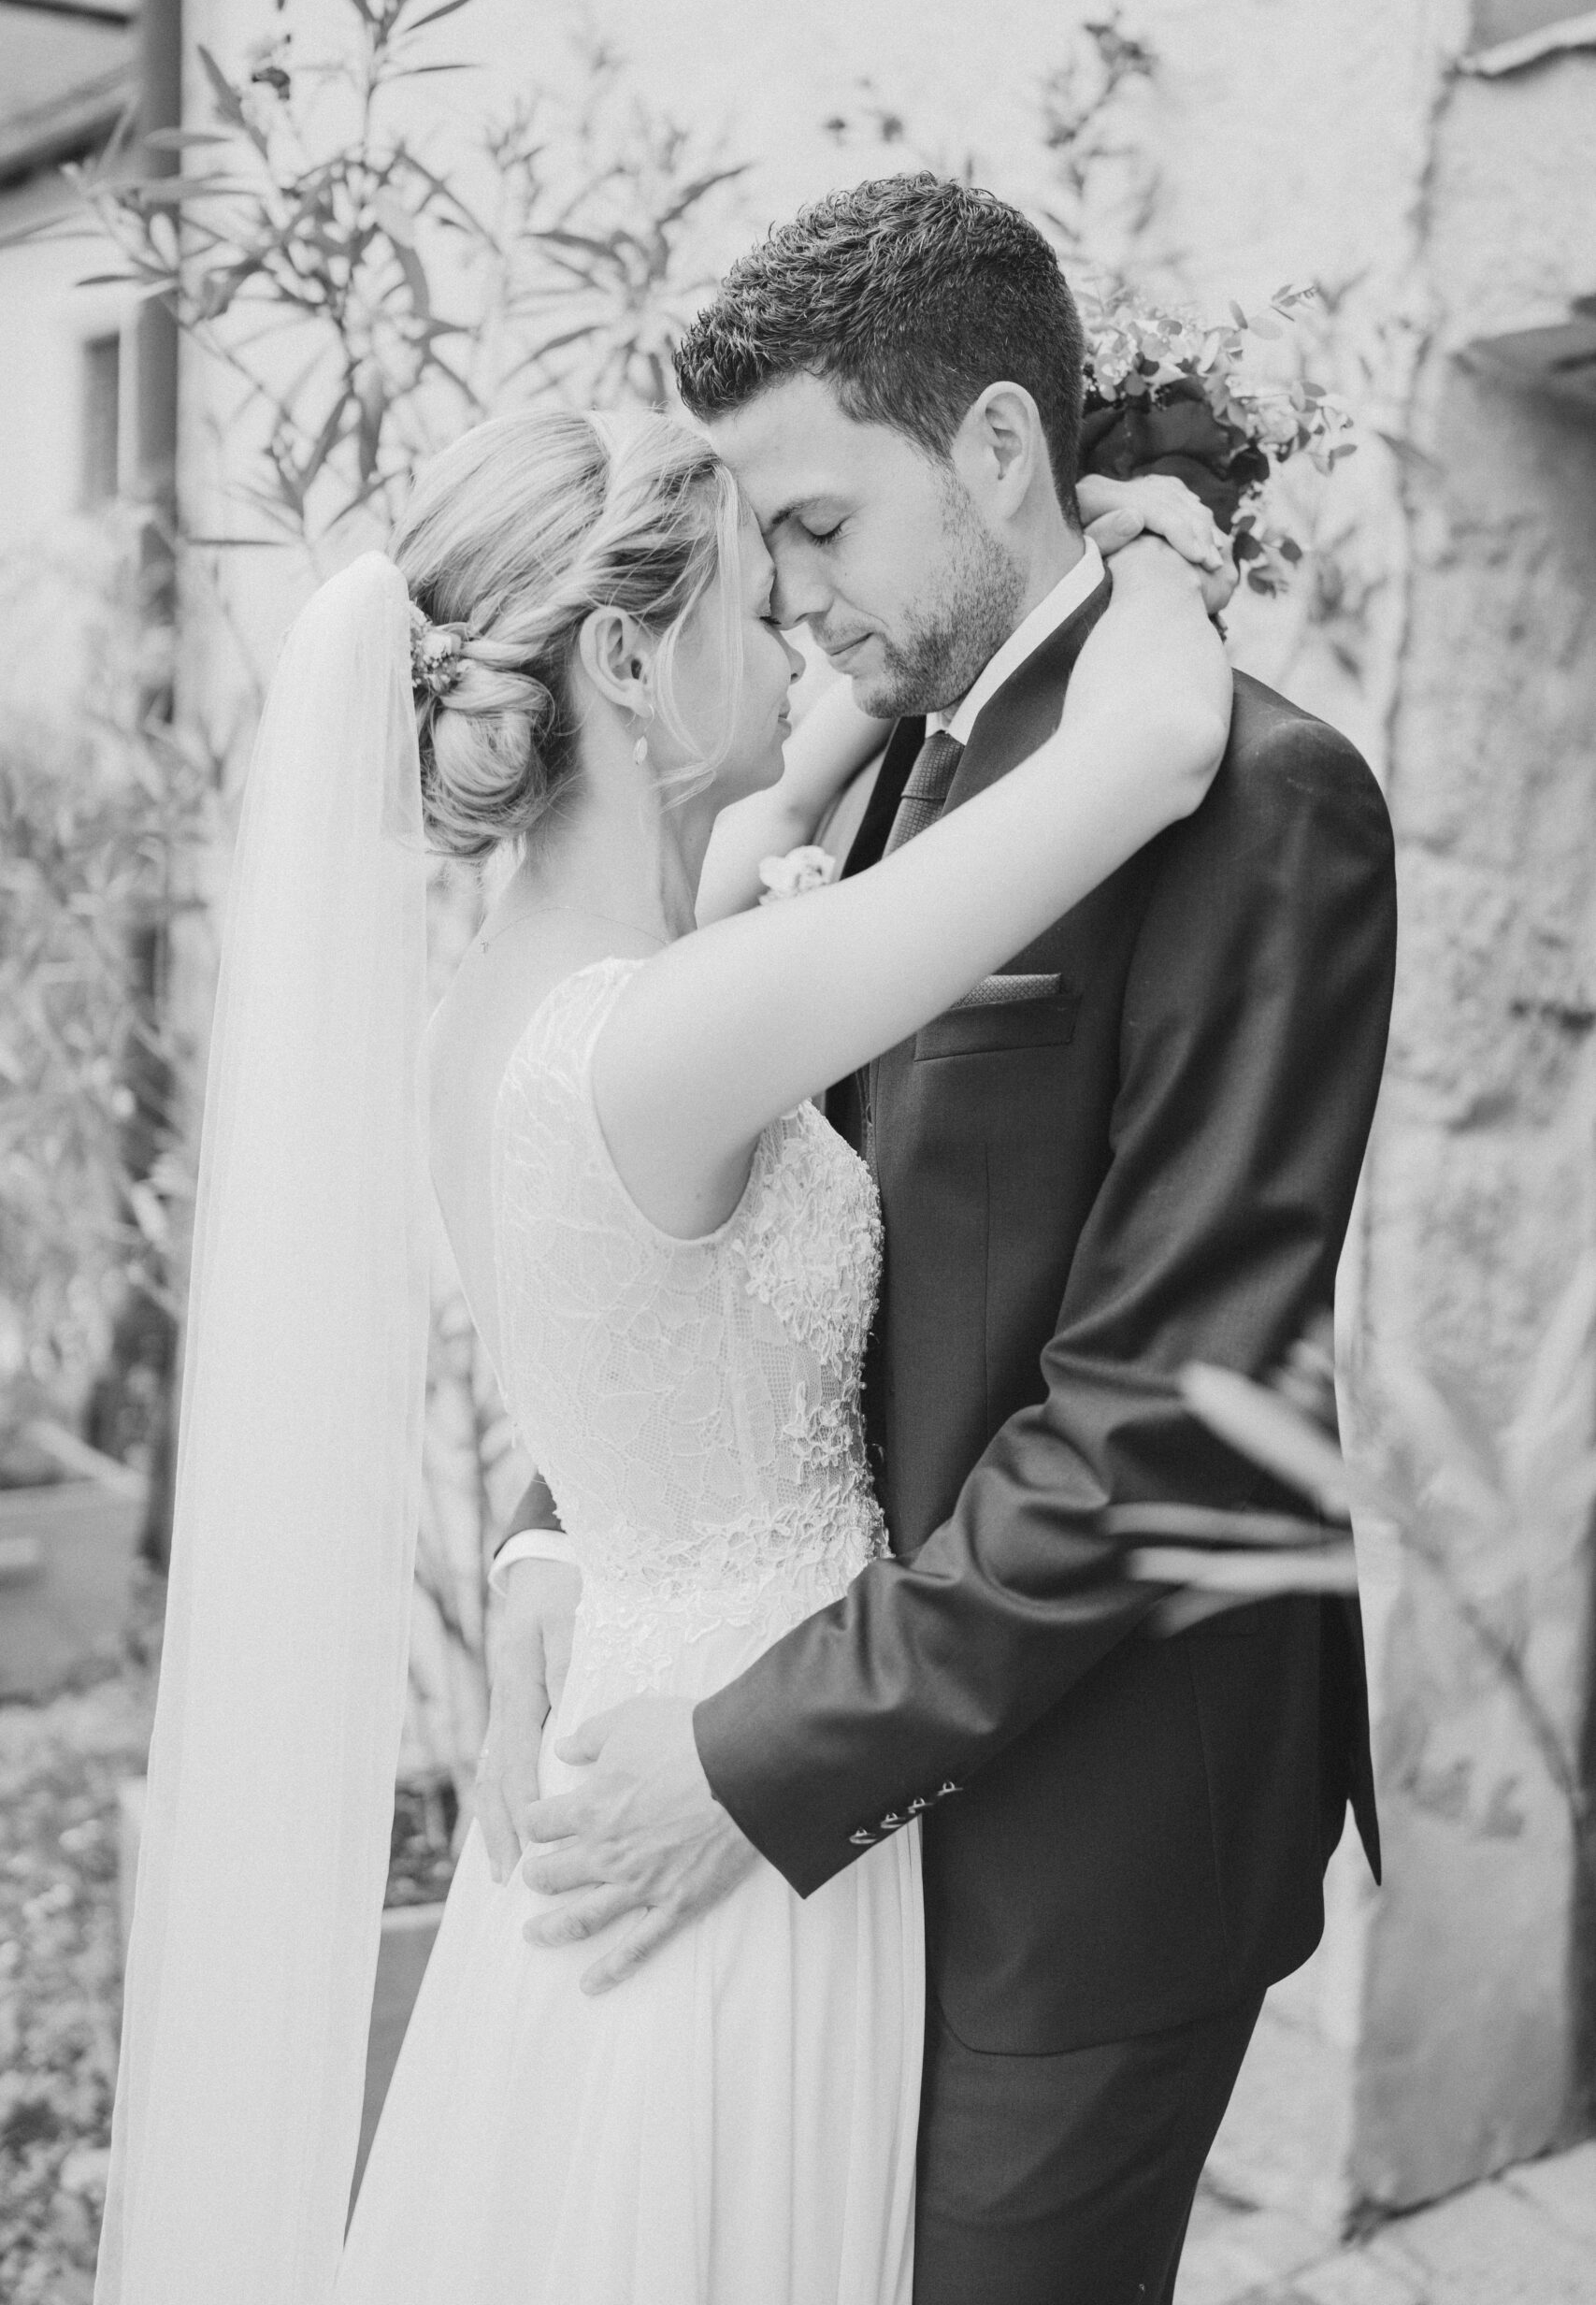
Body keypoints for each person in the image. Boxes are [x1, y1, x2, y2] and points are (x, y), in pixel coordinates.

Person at [94, 379, 1230, 2301]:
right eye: (755, 600)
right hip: (735, 1789)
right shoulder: (670, 1037)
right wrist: (1162, 553)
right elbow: (1154, 750)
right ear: (626, 663)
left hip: (634, 1690)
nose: (799, 636)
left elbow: (774, 800)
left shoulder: (523, 1000)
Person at [484, 175, 1400, 2305]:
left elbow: (1167, 1419)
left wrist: (751, 1758)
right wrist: (567, 1521)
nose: (785, 596)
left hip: (1082, 1865)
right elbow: (748, 1236)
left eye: (816, 524)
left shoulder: (1260, 803)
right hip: (840, 1829)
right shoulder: (883, 764)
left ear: (996, 447)